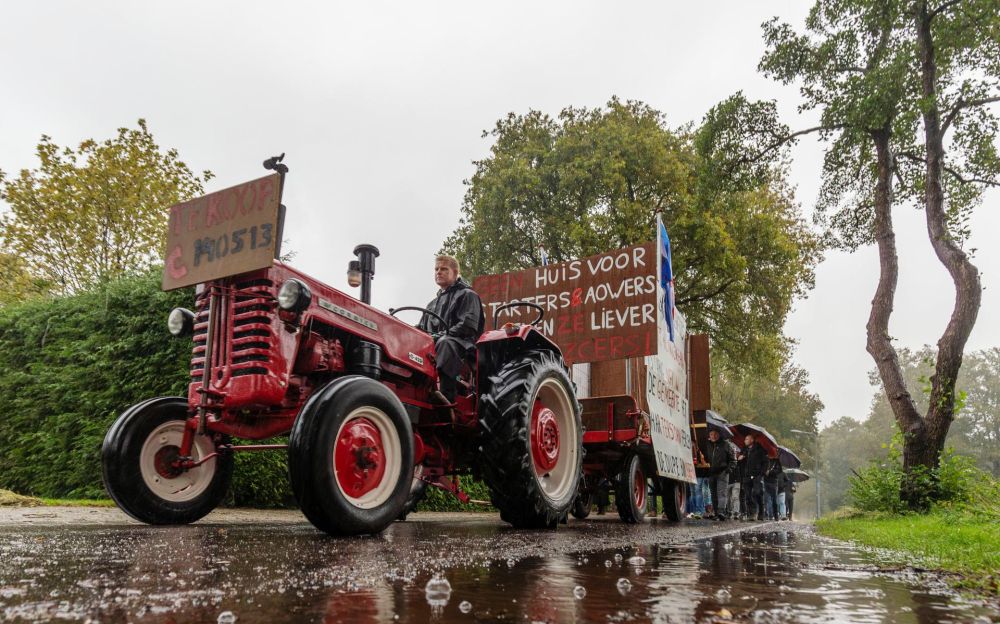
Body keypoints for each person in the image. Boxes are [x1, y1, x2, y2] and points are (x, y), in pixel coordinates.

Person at [418, 255, 486, 402]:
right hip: (436, 343)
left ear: (455, 273)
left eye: (444, 269)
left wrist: (438, 336)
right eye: (436, 269)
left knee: (445, 342)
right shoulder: (431, 304)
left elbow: (468, 326)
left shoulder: (468, 295)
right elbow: (420, 329)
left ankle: (445, 396)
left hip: (463, 345)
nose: (438, 272)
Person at [703, 429, 730, 520]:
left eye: (715, 434)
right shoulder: (707, 445)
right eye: (711, 434)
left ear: (719, 435)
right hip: (711, 473)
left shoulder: (726, 445)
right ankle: (716, 512)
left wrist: (727, 470)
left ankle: (721, 512)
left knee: (721, 493)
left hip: (722, 472)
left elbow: (733, 460)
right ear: (709, 435)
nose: (713, 436)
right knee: (713, 494)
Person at [743, 434, 768, 521]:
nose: (744, 441)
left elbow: (766, 462)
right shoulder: (744, 450)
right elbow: (740, 463)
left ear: (752, 440)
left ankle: (761, 511)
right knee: (748, 495)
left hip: (757, 476)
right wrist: (739, 458)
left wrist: (761, 474)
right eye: (745, 439)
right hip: (746, 476)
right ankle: (752, 514)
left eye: (746, 439)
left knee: (757, 493)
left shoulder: (760, 450)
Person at [725, 438, 743, 520]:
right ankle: (729, 511)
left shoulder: (740, 460)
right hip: (728, 480)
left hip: (737, 481)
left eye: (735, 452)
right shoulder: (727, 460)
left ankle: (736, 512)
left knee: (735, 497)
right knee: (728, 497)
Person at [763, 452, 782, 521]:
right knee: (766, 499)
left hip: (773, 482)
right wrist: (764, 471)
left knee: (774, 500)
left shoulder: (777, 461)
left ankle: (775, 514)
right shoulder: (765, 459)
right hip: (765, 481)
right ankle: (766, 514)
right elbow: (762, 468)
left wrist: (771, 472)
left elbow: (779, 470)